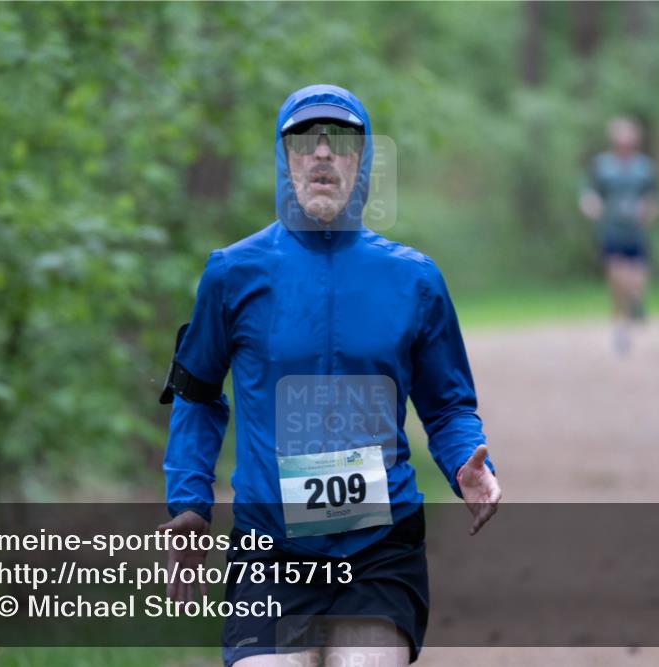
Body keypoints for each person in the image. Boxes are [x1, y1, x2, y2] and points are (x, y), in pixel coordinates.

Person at [158, 84, 501, 667]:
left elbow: (446, 405)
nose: (321, 153)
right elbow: (197, 394)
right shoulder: (232, 274)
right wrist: (189, 503)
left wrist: (470, 463)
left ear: (361, 161)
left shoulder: (413, 280)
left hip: (378, 548)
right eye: (304, 140)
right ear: (283, 157)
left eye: (339, 140)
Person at [579, 117, 659, 355]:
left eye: (628, 141)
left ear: (634, 142)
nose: (624, 145)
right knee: (615, 278)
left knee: (637, 280)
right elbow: (589, 193)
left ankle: (636, 300)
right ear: (614, 142)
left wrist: (648, 212)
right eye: (620, 141)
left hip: (635, 231)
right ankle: (621, 329)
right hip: (611, 230)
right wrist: (591, 205)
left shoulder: (644, 167)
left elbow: (653, 197)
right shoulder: (601, 165)